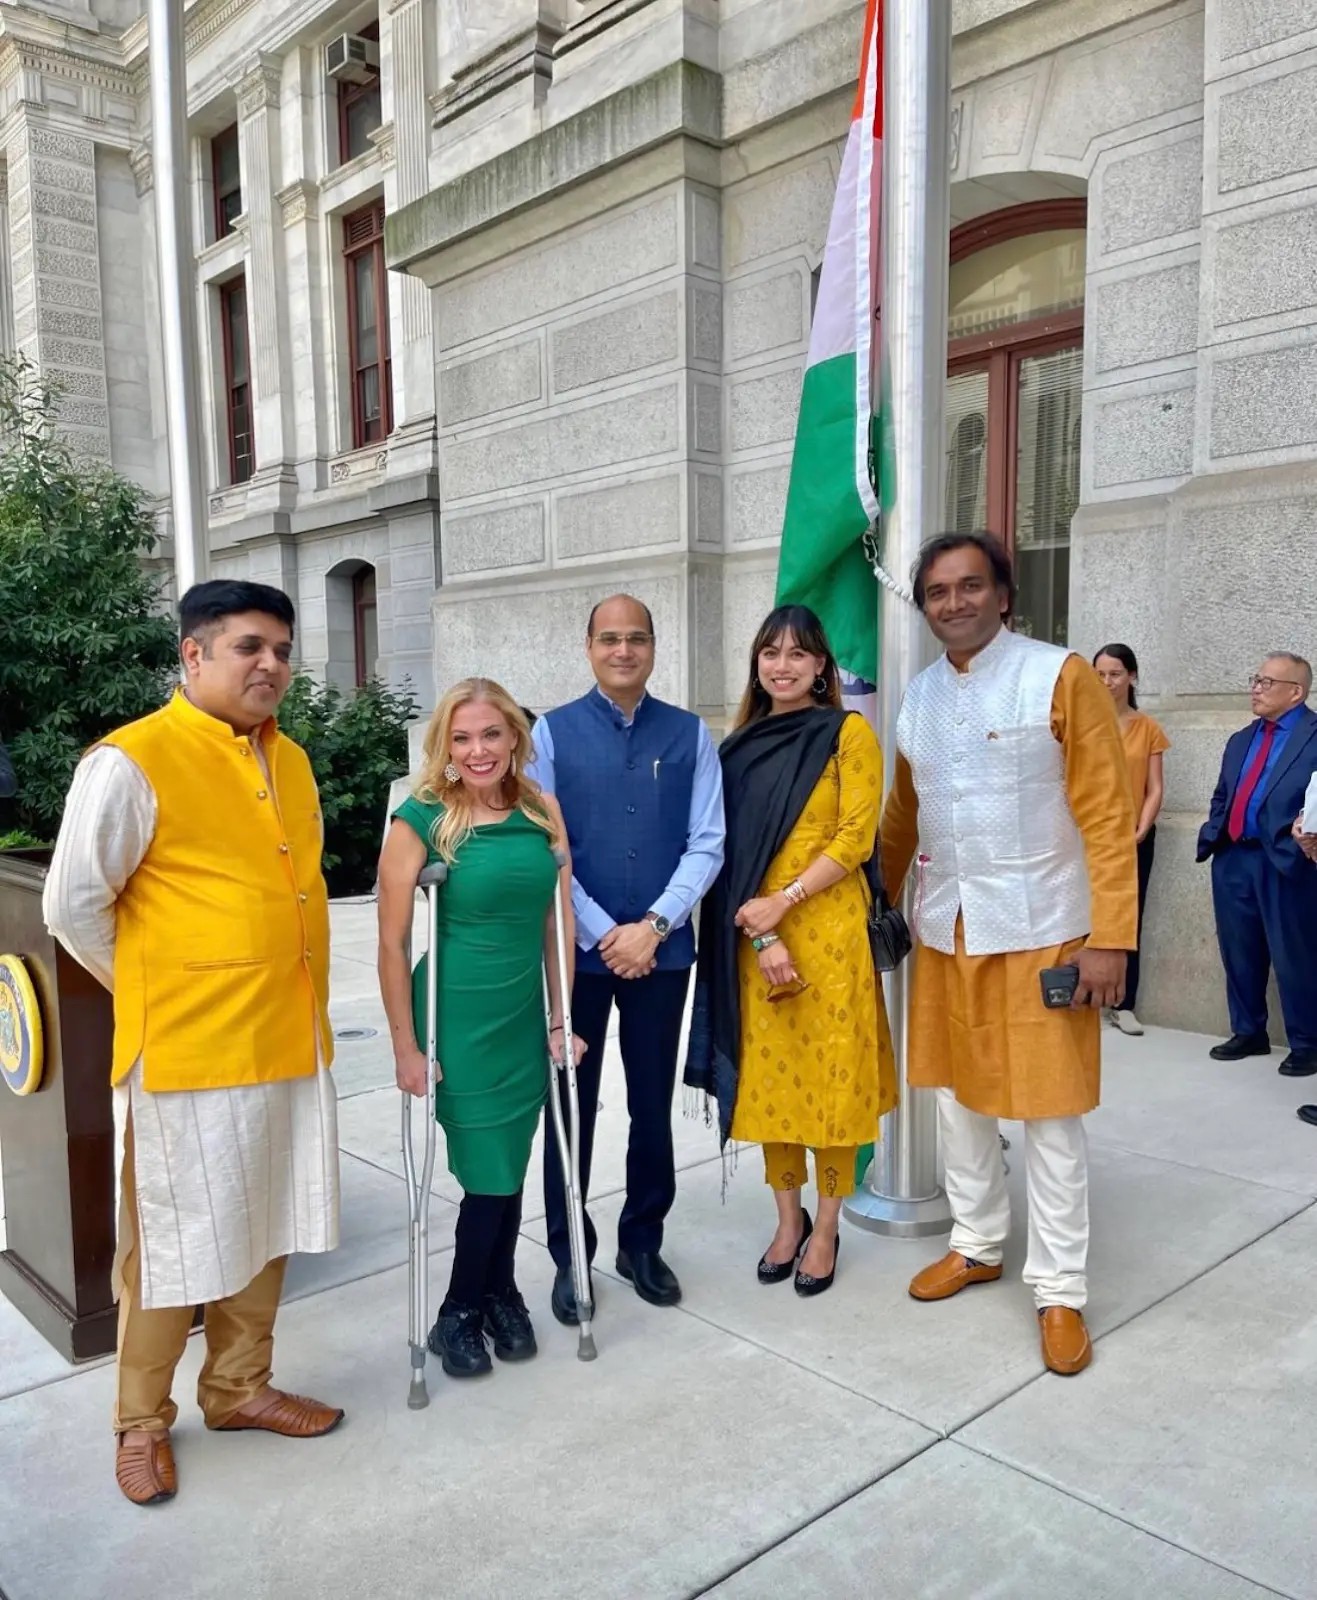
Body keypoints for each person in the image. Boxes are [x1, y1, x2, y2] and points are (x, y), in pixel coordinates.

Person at [43, 580, 343, 1508]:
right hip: (185, 1054)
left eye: (284, 651)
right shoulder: (130, 762)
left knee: (268, 1224)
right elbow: (71, 907)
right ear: (194, 655)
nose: (271, 666)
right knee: (171, 1247)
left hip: (290, 1038)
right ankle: (141, 1423)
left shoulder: (287, 759)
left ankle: (240, 1389)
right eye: (250, 646)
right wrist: (164, 984)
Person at [881, 532, 1136, 1377]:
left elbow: (1105, 812)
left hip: (1045, 927)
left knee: (1049, 1114)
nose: (952, 603)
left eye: (968, 587)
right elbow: (901, 815)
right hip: (946, 929)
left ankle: (1059, 1290)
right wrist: (874, 899)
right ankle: (976, 1241)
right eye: (937, 593)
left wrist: (1111, 938)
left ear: (1001, 594)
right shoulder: (916, 697)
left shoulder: (1056, 675)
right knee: (958, 1102)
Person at [684, 606, 897, 1296]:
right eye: (769, 653)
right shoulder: (736, 748)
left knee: (831, 1087)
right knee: (771, 1086)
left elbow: (855, 838)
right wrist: (765, 925)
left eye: (796, 654)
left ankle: (827, 1226)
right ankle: (786, 1220)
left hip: (829, 937)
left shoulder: (847, 734)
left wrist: (786, 903)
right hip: (753, 936)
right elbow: (723, 855)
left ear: (820, 667)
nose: (781, 665)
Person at [377, 679, 583, 1377]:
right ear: (443, 746)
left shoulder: (541, 810)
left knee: (510, 1160)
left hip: (520, 1014)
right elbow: (391, 942)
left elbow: (559, 922)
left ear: (515, 738)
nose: (476, 751)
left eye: (490, 735)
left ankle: (500, 1293)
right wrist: (405, 1046)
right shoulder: (422, 819)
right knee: (489, 1174)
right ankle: (459, 1311)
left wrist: (562, 1019)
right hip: (454, 1019)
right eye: (460, 739)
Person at [527, 595, 725, 1321]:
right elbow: (547, 848)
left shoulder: (690, 734)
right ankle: (567, 1253)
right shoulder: (548, 734)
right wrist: (605, 932)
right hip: (576, 957)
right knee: (569, 1106)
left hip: (661, 956)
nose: (622, 650)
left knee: (649, 1106)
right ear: (587, 648)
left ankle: (641, 1241)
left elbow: (707, 841)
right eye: (608, 639)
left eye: (635, 638)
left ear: (653, 647)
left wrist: (654, 925)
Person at [1196, 653, 1317, 1081]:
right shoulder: (1242, 738)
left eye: (1267, 682)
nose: (1256, 688)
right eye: (1256, 680)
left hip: (1286, 859)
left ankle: (1307, 1044)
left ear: (1296, 692)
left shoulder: (1314, 736)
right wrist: (1216, 830)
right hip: (1233, 856)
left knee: (1294, 955)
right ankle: (1248, 1032)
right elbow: (1223, 793)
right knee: (1239, 950)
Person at [1092, 643, 1170, 1036]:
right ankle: (1080, 997)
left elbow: (1155, 787)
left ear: (1132, 677)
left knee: (1127, 918)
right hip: (1086, 838)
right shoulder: (1082, 725)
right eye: (1100, 674)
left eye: (1115, 674)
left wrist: (1142, 827)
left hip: (1132, 839)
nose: (1107, 682)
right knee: (1079, 917)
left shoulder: (1147, 728)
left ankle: (1124, 1004)